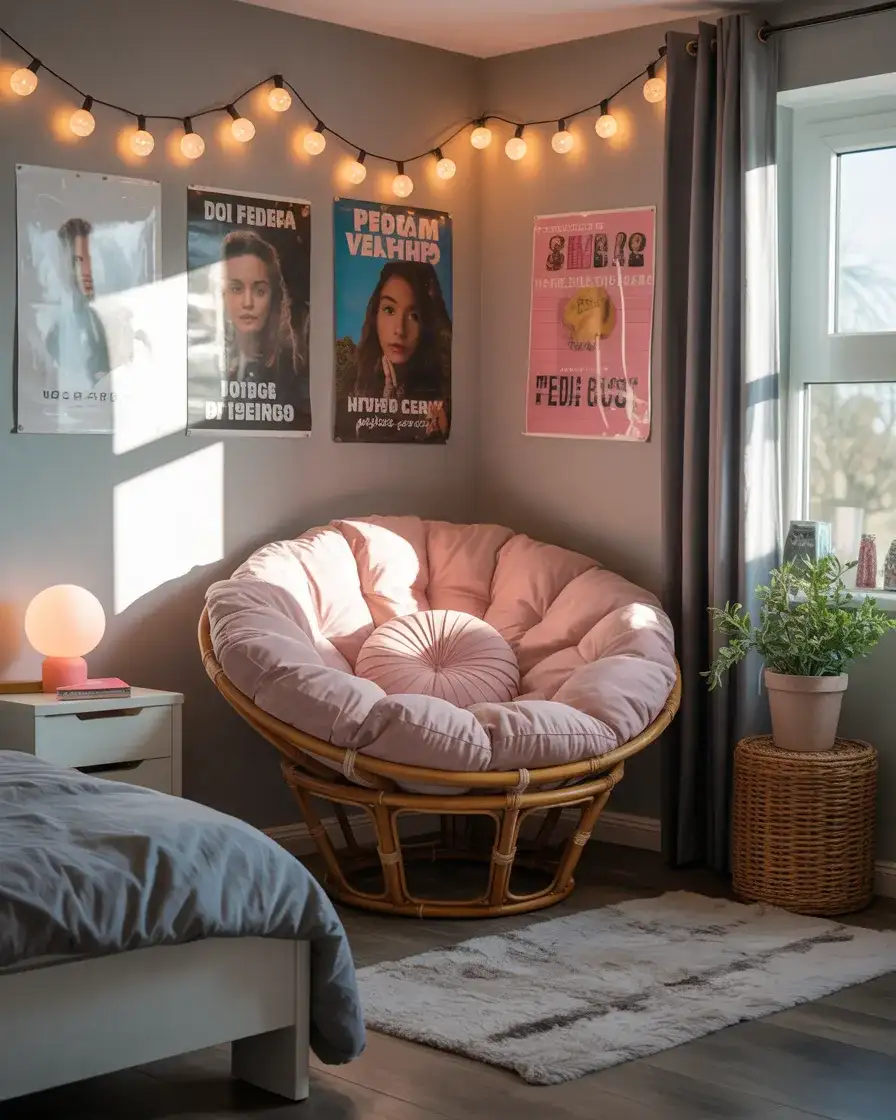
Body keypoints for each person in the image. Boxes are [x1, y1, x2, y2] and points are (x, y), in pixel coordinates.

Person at [341, 260, 451, 441]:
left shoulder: (441, 397)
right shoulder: (352, 386)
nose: (400, 329)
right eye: (389, 310)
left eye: (414, 316)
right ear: (375, 315)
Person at [217, 230, 310, 428]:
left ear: (273, 298)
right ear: (222, 294)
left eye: (259, 290)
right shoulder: (207, 366)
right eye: (236, 288)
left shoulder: (292, 371)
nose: (248, 302)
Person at [46, 217, 111, 391]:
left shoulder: (97, 319)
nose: (87, 271)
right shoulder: (57, 327)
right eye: (79, 261)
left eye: (90, 259)